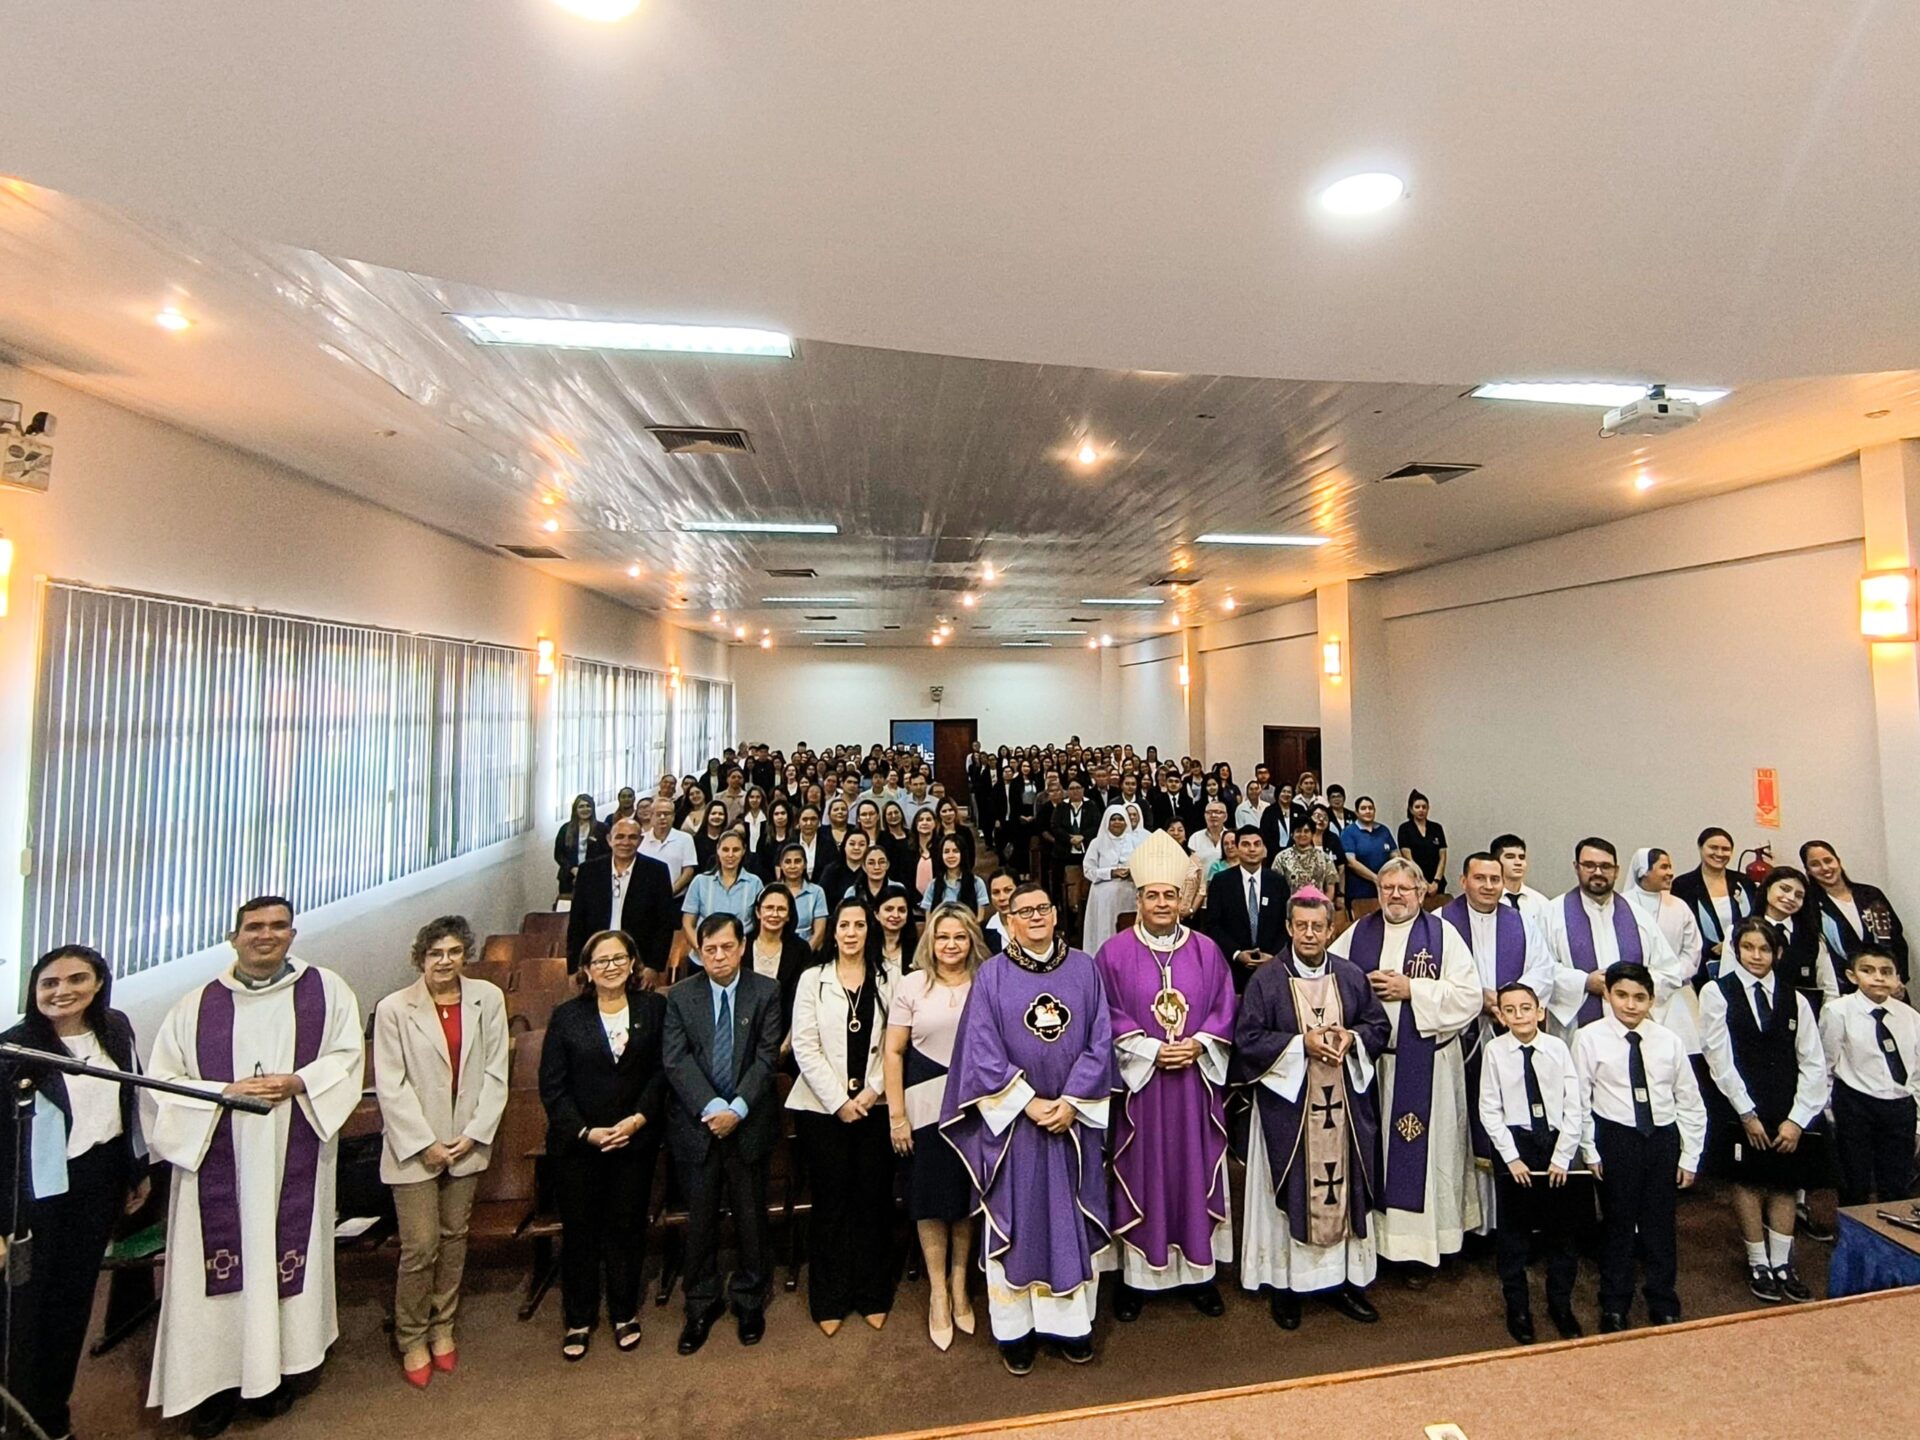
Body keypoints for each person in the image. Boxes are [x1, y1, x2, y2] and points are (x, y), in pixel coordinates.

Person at [146, 897, 364, 1436]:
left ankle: (277, 1372)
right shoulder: (196, 1006)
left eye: (277, 926)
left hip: (295, 1147)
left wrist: (299, 1081)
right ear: (233, 936)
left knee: (285, 1257)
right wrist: (223, 1091)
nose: (265, 935)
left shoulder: (327, 992)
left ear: (292, 934)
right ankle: (214, 1384)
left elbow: (347, 1058)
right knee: (217, 1273)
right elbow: (162, 1083)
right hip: (219, 1157)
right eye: (254, 927)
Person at [940, 881, 1115, 1375]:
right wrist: (1027, 1102)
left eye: (1043, 908)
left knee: (1069, 1218)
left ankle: (1071, 1326)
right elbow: (980, 1050)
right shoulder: (991, 976)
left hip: (1071, 1123)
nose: (1035, 917)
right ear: (1009, 921)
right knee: (1017, 1223)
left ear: (1056, 915)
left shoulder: (1085, 968)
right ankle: (1014, 1330)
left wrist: (1072, 1102)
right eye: (1024, 911)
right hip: (1016, 1128)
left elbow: (1101, 1040)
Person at [0, 946, 149, 1440]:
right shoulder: (14, 1048)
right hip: (32, 1196)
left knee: (72, 1306)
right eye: (49, 983)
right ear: (34, 990)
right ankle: (17, 1424)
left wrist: (136, 1170)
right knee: (22, 1317)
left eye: (76, 979)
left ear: (99, 983)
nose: (62, 991)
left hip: (96, 1183)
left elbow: (129, 1101)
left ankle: (52, 1417)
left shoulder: (116, 1029)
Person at [1094, 830, 1237, 1321]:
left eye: (1169, 895)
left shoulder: (1207, 951)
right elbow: (1105, 1014)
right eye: (1152, 895)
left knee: (1193, 1172)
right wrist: (1151, 1050)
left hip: (1194, 1086)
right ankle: (1137, 1278)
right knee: (1142, 1172)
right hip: (1143, 1092)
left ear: (1183, 901)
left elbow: (1224, 1007)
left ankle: (1199, 1274)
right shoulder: (1113, 954)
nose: (1161, 903)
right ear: (1138, 900)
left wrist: (1199, 1044)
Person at [1235, 887, 1391, 1329]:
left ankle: (1343, 1280)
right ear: (1288, 927)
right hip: (1289, 1111)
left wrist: (1351, 1038)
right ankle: (1285, 1285)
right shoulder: (1266, 980)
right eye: (1301, 925)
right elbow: (1247, 1041)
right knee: (1292, 1192)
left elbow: (1376, 1025)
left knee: (1342, 1188)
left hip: (1343, 1109)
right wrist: (1300, 1044)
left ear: (1330, 929)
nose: (1309, 934)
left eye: (1317, 926)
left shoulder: (1350, 975)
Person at [1329, 857, 1482, 1282]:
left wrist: (1411, 988)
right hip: (1374, 1067)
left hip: (1428, 1068)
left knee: (1429, 1158)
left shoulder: (1443, 935)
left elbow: (1469, 997)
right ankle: (1379, 1245)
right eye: (1387, 888)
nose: (1395, 895)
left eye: (1404, 888)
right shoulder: (1358, 933)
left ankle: (1422, 1248)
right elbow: (1329, 984)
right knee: (1377, 1154)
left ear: (1420, 892)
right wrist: (1361, 987)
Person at [373, 916, 509, 1385]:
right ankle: (411, 1335)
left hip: (466, 1140)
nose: (445, 961)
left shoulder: (487, 998)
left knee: (454, 1238)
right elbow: (390, 1085)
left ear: (465, 954)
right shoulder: (394, 1008)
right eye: (435, 953)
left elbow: (496, 1072)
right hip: (415, 1146)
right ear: (421, 958)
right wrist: (424, 1143)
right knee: (421, 1245)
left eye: (453, 952)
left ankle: (442, 1326)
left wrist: (475, 1132)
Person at [539, 930, 667, 1360]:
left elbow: (661, 1072)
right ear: (587, 970)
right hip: (579, 1146)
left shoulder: (653, 1008)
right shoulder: (566, 1017)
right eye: (601, 961)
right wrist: (585, 1131)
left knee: (626, 1227)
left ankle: (625, 1311)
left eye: (618, 958)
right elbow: (552, 1086)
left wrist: (636, 1120)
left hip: (634, 1139)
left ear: (632, 963)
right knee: (581, 1232)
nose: (610, 967)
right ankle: (579, 1318)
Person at [663, 915, 785, 1354]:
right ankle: (700, 1302)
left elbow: (767, 1057)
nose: (718, 957)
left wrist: (737, 1109)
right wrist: (713, 1108)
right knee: (700, 1220)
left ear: (742, 946)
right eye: (710, 950)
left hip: (747, 1122)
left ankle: (750, 1299)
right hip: (698, 1125)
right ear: (699, 951)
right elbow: (676, 1060)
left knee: (751, 1218)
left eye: (727, 948)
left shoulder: (766, 991)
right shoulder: (680, 996)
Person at [1700, 917, 1829, 1305]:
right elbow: (1718, 1057)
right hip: (1739, 1104)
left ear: (1778, 953)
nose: (1756, 956)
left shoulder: (1796, 999)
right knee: (1749, 1182)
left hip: (1786, 1105)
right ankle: (1759, 1262)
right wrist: (1746, 1113)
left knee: (1785, 1183)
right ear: (1736, 950)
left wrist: (1797, 1120)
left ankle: (1783, 1263)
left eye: (1764, 949)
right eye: (1748, 948)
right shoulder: (1717, 992)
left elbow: (1813, 1062)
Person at [1573, 961, 1707, 1332]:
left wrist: (1690, 1155)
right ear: (1608, 995)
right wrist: (1590, 1150)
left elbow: (1690, 1100)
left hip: (1661, 1137)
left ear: (1651, 1000)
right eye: (1621, 995)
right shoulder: (1589, 1038)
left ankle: (1663, 1299)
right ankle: (1614, 1303)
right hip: (1616, 1137)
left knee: (1660, 1224)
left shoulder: (1668, 1041)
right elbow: (1579, 1100)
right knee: (1617, 1224)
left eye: (1639, 997)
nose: (1630, 1005)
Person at [788, 899, 900, 1334]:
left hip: (876, 1105)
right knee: (831, 1202)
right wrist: (839, 1101)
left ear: (869, 930)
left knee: (873, 1200)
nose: (851, 933)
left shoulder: (890, 978)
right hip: (823, 1110)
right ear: (832, 932)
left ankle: (872, 1294)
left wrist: (871, 1092)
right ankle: (829, 1299)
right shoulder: (811, 979)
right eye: (844, 926)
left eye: (859, 925)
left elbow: (896, 1043)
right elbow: (805, 1046)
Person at [885, 904, 986, 1350]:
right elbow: (893, 1052)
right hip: (923, 1105)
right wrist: (897, 1116)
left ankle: (960, 1285)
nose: (951, 944)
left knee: (964, 1199)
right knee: (929, 1200)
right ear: (931, 941)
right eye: (943, 936)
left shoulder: (986, 981)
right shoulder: (911, 984)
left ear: (971, 940)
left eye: (959, 937)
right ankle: (938, 1293)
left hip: (973, 1104)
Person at [1441, 854, 1558, 1236]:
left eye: (1495, 879)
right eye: (1480, 878)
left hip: (1509, 1034)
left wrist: (1509, 1003)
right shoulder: (1442, 923)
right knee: (1463, 1123)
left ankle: (1514, 1222)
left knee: (1510, 1118)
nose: (1489, 886)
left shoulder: (1521, 922)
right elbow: (1435, 978)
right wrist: (1477, 998)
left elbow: (1543, 970)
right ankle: (1471, 1222)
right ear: (1464, 881)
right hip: (1462, 1035)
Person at [1476, 982, 1584, 1345]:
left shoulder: (1557, 1049)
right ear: (1501, 1016)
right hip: (1515, 1143)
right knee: (1514, 1233)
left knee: (1562, 1232)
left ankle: (1561, 1304)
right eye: (1510, 1010)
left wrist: (1563, 1155)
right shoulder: (1495, 1052)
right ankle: (1518, 1308)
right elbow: (1489, 1109)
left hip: (1554, 1143)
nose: (1519, 1015)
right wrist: (1511, 1158)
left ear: (1540, 1012)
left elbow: (1574, 1105)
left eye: (1526, 1008)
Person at [1543, 838, 1683, 1039]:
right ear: (1576, 867)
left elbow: (1670, 971)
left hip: (1633, 1032)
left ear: (1617, 871)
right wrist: (1584, 982)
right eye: (1589, 865)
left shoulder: (1638, 915)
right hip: (1575, 1033)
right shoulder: (1552, 914)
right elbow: (1540, 970)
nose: (1598, 872)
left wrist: (1632, 987)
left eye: (1606, 866)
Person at [1818, 948, 1920, 1205]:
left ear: (1897, 978)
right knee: (1855, 1183)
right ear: (1852, 976)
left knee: (1896, 1185)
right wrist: (1828, 1112)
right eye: (1868, 970)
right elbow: (1826, 1065)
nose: (1878, 978)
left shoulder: (1910, 1017)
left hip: (1900, 1106)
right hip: (1855, 1103)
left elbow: (1917, 1071)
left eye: (1886, 972)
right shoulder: (1837, 1011)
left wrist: (1917, 1120)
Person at [568, 817, 675, 979]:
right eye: (619, 837)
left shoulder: (657, 872)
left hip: (639, 959)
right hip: (596, 958)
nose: (625, 842)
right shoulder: (588, 871)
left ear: (640, 841)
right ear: (609, 840)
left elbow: (664, 924)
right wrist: (574, 967)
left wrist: (654, 966)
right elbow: (577, 922)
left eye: (632, 837)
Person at [1801, 840, 1910, 992]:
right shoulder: (1810, 907)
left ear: (1838, 861)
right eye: (1815, 864)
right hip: (1847, 991)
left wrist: (1898, 979)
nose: (1825, 868)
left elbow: (1897, 939)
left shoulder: (1871, 895)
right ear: (1808, 871)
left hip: (1889, 986)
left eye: (1828, 860)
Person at [1624, 848, 1705, 1053]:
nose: (1670, 873)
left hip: (1676, 990)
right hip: (1632, 992)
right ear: (1644, 871)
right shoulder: (1622, 905)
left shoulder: (1679, 906)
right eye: (1664, 867)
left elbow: (1692, 951)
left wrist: (1668, 977)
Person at [1205, 825, 1290, 991]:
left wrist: (1273, 956)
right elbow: (1212, 925)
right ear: (1236, 848)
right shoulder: (1221, 882)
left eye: (1257, 844)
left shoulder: (1277, 882)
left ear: (1264, 849)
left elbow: (1287, 924)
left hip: (1272, 966)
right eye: (1246, 844)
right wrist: (1237, 954)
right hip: (1232, 968)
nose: (1252, 849)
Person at [1670, 828, 1756, 982]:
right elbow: (1681, 927)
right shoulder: (1683, 884)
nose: (1720, 853)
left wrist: (1730, 944)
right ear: (1700, 847)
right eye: (1713, 848)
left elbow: (1756, 918)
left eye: (1725, 849)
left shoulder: (1744, 882)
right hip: (1702, 964)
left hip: (1745, 962)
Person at [680, 831, 765, 957]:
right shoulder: (700, 881)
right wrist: (702, 950)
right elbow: (687, 923)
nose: (730, 855)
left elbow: (760, 923)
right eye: (725, 850)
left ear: (743, 851)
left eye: (736, 850)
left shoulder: (755, 883)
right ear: (718, 850)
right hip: (703, 957)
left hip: (742, 957)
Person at [1080, 804, 1141, 953]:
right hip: (1104, 895)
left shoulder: (1135, 842)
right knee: (1106, 931)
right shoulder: (1097, 843)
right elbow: (1088, 870)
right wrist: (1112, 872)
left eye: (1121, 819)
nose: (1117, 822)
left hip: (1129, 893)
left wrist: (1132, 871)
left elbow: (1142, 865)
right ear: (1107, 821)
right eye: (1113, 819)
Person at [1049, 779, 1100, 931]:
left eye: (1078, 787)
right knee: (1062, 888)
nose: (1075, 791)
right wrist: (1070, 839)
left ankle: (1086, 920)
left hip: (1085, 852)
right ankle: (1066, 922)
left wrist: (1083, 837)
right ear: (1067, 791)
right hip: (1064, 854)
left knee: (1085, 888)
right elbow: (1055, 826)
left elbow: (1097, 825)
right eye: (1072, 788)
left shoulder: (1091, 806)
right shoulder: (1061, 807)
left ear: (1083, 790)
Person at [1341, 797, 1396, 918]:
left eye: (1370, 808)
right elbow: (1351, 862)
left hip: (1385, 888)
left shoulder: (1383, 830)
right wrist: (1375, 878)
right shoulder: (1349, 832)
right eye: (1363, 808)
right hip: (1360, 892)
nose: (1368, 811)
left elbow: (1395, 856)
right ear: (1356, 812)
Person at [772, 842, 830, 949]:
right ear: (781, 865)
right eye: (787, 862)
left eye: (797, 861)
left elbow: (819, 932)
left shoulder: (817, 892)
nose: (792, 866)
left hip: (808, 950)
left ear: (805, 865)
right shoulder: (771, 891)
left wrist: (804, 954)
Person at [640, 797, 700, 897]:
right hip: (645, 897)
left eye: (667, 814)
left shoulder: (686, 839)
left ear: (673, 816)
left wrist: (668, 893)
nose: (662, 817)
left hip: (675, 898)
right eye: (658, 814)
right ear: (651, 816)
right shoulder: (641, 840)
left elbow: (688, 871)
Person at [1489, 833, 1551, 928]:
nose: (1518, 863)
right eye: (1510, 857)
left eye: (1522, 857)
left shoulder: (1540, 903)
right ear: (1495, 862)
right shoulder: (1487, 899)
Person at [554, 793, 609, 898]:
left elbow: (607, 853)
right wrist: (572, 869)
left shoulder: (602, 828)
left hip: (595, 877)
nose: (585, 809)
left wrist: (588, 869)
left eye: (588, 806)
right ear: (575, 810)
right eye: (581, 806)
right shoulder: (565, 829)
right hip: (569, 878)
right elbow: (559, 854)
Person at [1397, 790, 1448, 901]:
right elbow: (1408, 858)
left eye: (1424, 807)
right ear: (1411, 809)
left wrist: (1436, 881)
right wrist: (1423, 882)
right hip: (1415, 879)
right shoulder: (1405, 829)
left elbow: (1442, 857)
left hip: (1436, 882)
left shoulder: (1436, 828)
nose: (1421, 810)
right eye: (1417, 807)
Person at [924, 832, 989, 920]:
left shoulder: (977, 883)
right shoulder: (933, 885)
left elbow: (980, 918)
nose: (951, 856)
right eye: (946, 852)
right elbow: (929, 919)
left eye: (955, 851)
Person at [1273, 811, 1339, 897]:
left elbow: (1330, 889)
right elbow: (1275, 887)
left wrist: (1324, 904)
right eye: (1298, 831)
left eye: (1306, 831)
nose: (1302, 834)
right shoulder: (1281, 857)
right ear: (1292, 835)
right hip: (1289, 904)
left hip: (1318, 904)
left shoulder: (1324, 858)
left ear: (1312, 834)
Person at [982, 870, 1018, 949]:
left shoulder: (1032, 923)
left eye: (1008, 890)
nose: (1002, 898)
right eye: (996, 892)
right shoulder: (983, 932)